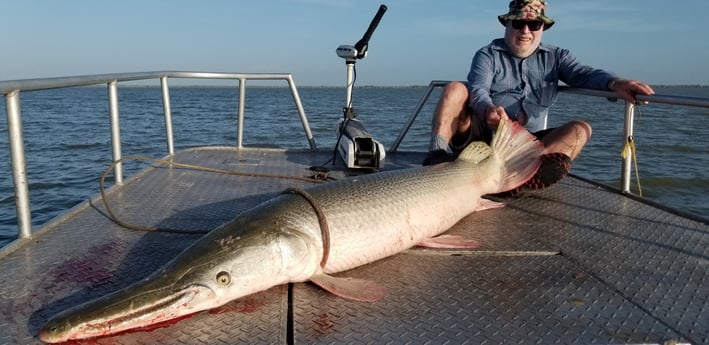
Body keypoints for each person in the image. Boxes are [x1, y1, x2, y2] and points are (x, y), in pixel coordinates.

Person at [423, 0, 655, 194]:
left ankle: (520, 178)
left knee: (581, 129)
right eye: (519, 23)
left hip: (525, 144)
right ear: (507, 25)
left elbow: (582, 74)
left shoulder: (557, 57)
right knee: (455, 88)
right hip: (483, 137)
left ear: (542, 28)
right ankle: (437, 158)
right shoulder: (487, 54)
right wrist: (488, 110)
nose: (525, 31)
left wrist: (615, 83)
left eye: (533, 24)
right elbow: (478, 90)